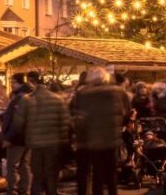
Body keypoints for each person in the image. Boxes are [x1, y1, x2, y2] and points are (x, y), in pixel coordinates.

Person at [72, 67, 129, 195]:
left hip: (93, 140)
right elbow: (126, 113)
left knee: (97, 174)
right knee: (111, 174)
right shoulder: (118, 92)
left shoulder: (84, 94)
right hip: (112, 139)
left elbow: (79, 117)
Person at [13, 71, 69, 195]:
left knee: (37, 175)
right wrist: (63, 142)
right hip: (53, 144)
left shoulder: (26, 100)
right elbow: (65, 124)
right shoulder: (58, 99)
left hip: (34, 144)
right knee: (51, 175)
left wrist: (26, 136)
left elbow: (18, 124)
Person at [2, 72, 32, 195]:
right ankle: (25, 190)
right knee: (25, 165)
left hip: (17, 138)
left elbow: (17, 120)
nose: (11, 85)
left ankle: (12, 191)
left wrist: (8, 137)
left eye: (13, 82)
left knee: (12, 166)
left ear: (20, 82)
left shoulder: (20, 97)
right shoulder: (29, 95)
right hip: (28, 136)